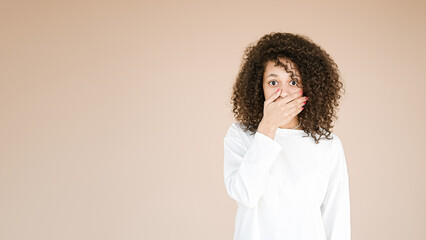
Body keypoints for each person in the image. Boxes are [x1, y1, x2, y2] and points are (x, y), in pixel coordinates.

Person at [223, 32, 351, 240]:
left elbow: (336, 221)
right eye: (273, 83)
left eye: (293, 82)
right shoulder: (240, 135)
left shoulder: (328, 145)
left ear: (308, 87)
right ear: (259, 88)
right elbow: (245, 194)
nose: (283, 93)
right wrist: (268, 127)